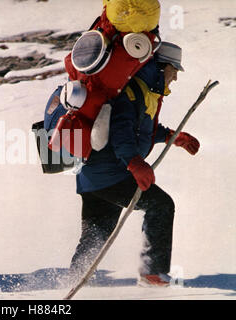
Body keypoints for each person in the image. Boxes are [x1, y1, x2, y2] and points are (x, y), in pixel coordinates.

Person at [69, 42, 200, 286]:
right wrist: (134, 162)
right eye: (174, 70)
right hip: (110, 174)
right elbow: (122, 132)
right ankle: (153, 271)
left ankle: (75, 279)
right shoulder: (133, 91)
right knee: (161, 206)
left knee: (96, 233)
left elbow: (141, 129)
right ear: (162, 67)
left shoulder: (142, 90)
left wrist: (173, 137)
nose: (175, 78)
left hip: (91, 176)